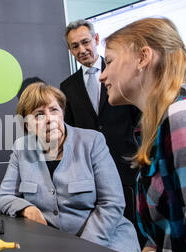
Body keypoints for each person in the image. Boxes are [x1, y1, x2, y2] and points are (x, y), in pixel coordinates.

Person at [99, 17, 186, 252]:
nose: (102, 75)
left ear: (143, 57)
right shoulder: (158, 127)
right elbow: (163, 247)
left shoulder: (185, 118)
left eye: (109, 62)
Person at [0, 82, 141, 252]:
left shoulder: (92, 141)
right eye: (39, 115)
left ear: (62, 113)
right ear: (27, 125)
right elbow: (4, 196)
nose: (49, 119)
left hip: (107, 242)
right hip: (54, 248)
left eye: (54, 110)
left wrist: (84, 247)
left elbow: (112, 202)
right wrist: (27, 209)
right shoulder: (21, 149)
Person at [60, 20, 141, 224]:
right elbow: (70, 132)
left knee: (134, 228)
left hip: (127, 167)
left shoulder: (121, 71)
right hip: (91, 173)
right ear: (70, 50)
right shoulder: (67, 86)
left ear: (96, 39)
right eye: (75, 46)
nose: (82, 49)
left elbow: (140, 120)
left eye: (85, 42)